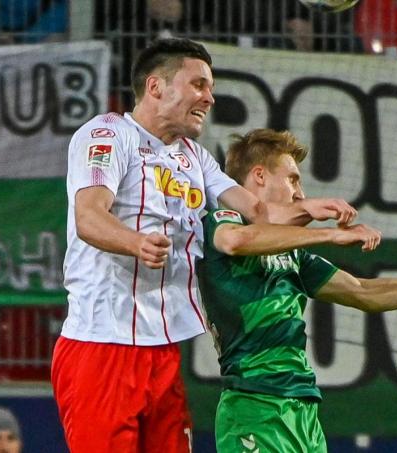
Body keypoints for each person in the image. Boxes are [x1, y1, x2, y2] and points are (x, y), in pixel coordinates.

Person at [51, 38, 357, 453]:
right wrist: (135, 242)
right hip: (100, 346)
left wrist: (313, 209)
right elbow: (88, 217)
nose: (209, 98)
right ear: (157, 87)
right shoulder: (106, 136)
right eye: (199, 85)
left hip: (160, 351)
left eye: (209, 88)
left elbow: (258, 212)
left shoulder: (194, 158)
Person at [197, 128, 397, 453]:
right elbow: (235, 241)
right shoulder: (221, 218)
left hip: (303, 409)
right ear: (259, 176)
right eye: (293, 179)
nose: (300, 192)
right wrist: (329, 235)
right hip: (254, 404)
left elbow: (364, 292)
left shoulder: (294, 256)